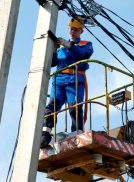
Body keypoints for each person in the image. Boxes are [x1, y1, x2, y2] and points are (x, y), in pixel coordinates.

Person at [41, 17, 93, 148]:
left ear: (81, 31)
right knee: (51, 108)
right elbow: (53, 63)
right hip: (59, 80)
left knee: (74, 107)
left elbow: (83, 55)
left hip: (75, 80)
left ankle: (76, 133)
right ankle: (45, 135)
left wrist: (68, 45)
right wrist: (53, 50)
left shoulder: (86, 44)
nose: (72, 32)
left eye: (75, 30)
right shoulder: (61, 47)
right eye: (71, 29)